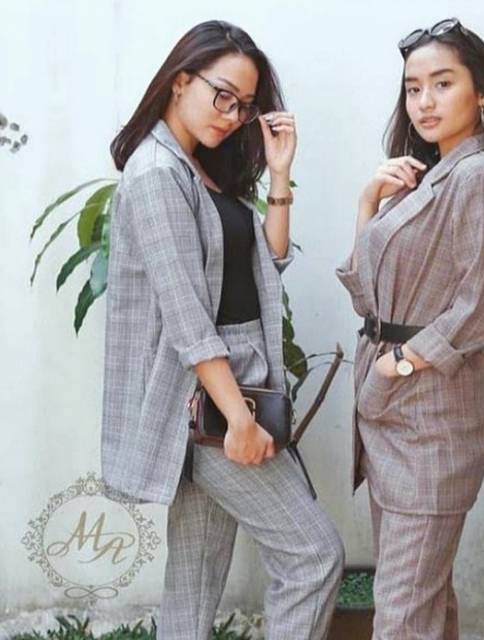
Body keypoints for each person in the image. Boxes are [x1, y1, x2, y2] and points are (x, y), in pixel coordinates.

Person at [102, 20, 344, 640]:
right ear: (180, 81)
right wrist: (237, 418)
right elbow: (187, 316)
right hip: (208, 400)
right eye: (223, 96)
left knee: (193, 584)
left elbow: (266, 265)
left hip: (228, 388)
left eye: (244, 105)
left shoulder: (199, 168)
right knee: (313, 557)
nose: (233, 116)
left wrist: (280, 176)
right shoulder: (156, 173)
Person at [336, 18, 484, 639]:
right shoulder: (428, 176)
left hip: (434, 413)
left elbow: (482, 304)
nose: (424, 101)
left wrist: (400, 364)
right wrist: (368, 204)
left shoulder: (477, 176)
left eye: (443, 84)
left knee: (402, 610)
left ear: (483, 90)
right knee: (424, 595)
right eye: (413, 88)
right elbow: (367, 297)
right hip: (393, 407)